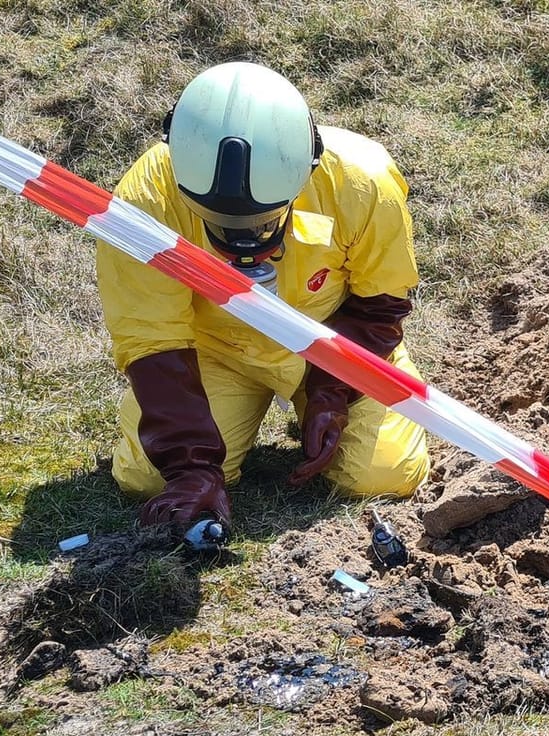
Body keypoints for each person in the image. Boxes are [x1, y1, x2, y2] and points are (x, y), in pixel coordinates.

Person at [97, 62, 430, 528]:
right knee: (148, 480)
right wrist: (191, 465)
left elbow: (381, 304)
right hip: (215, 349)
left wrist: (331, 391)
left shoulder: (363, 182)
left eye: (263, 220)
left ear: (306, 168)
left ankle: (322, 400)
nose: (245, 239)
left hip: (330, 343)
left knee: (383, 475)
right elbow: (150, 334)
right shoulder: (145, 199)